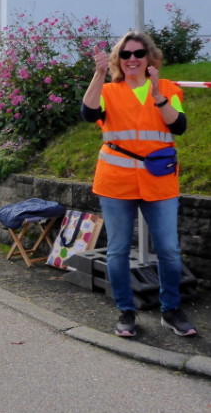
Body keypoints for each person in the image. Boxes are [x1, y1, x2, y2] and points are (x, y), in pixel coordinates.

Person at [81, 31, 196, 338]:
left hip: (159, 182)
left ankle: (170, 310)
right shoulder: (108, 90)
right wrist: (98, 74)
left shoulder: (167, 88)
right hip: (116, 182)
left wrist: (158, 96)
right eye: (126, 54)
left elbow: (179, 125)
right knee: (118, 250)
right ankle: (126, 311)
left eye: (139, 53)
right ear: (118, 59)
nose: (132, 59)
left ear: (149, 58)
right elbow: (88, 113)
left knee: (169, 250)